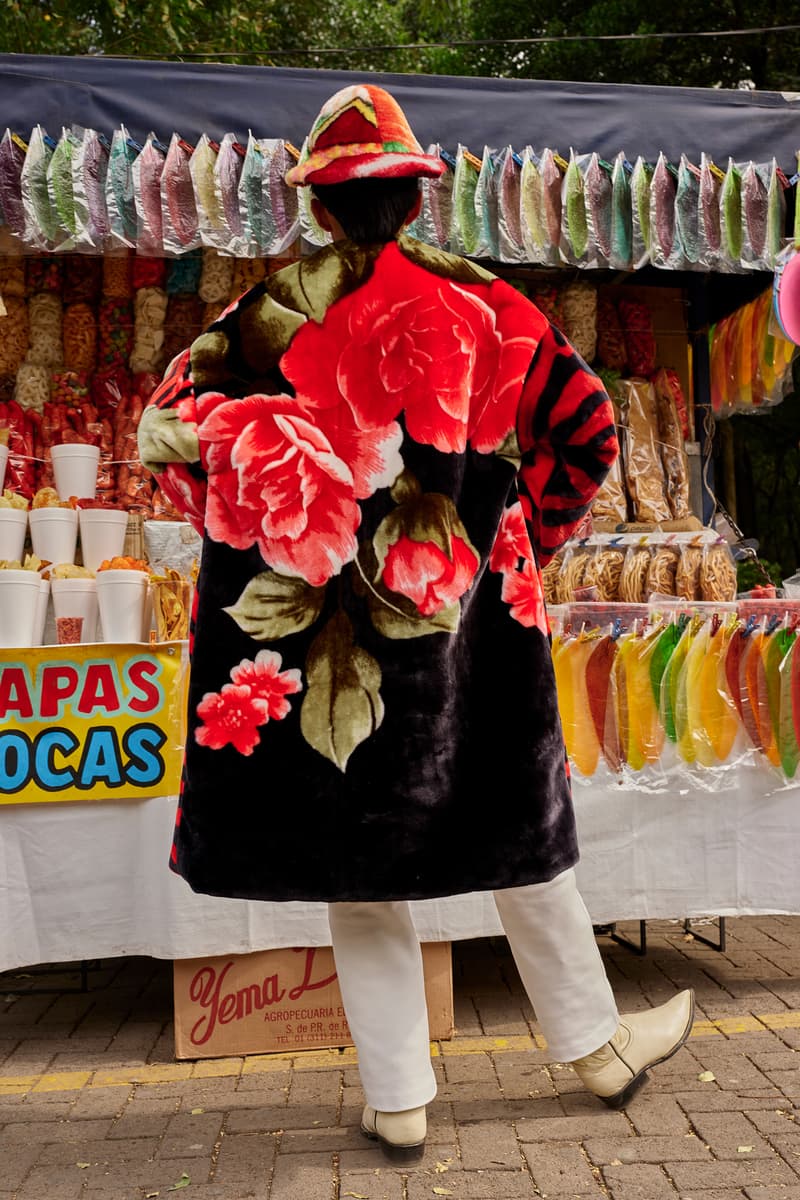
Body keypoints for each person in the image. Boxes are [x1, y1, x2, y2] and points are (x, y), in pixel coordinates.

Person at [138, 83, 694, 1161]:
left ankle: (398, 1097)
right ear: (413, 193)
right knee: (517, 832)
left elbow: (167, 439)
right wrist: (517, 538)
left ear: (318, 207)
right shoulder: (494, 308)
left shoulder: (261, 318)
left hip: (324, 642)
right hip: (471, 631)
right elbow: (586, 435)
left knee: (358, 861)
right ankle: (595, 1050)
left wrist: (269, 524)